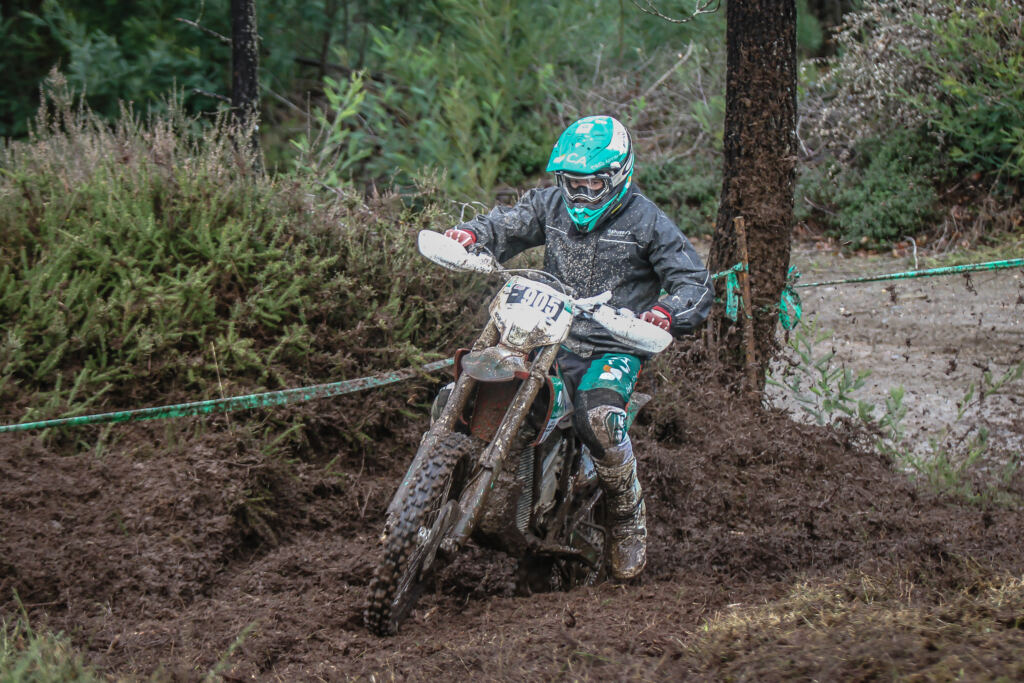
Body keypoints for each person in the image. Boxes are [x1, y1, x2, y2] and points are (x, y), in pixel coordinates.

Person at [442, 115, 712, 579]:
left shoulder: (647, 221)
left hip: (614, 345)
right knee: (478, 385)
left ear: (619, 175)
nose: (582, 195)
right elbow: (506, 223)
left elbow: (694, 280)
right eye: (573, 184)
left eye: (594, 184)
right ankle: (447, 489)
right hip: (550, 333)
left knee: (600, 417)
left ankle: (626, 514)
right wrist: (473, 235)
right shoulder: (549, 206)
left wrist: (665, 312)